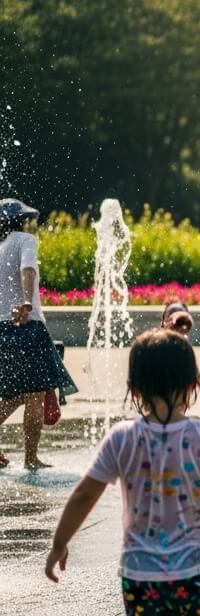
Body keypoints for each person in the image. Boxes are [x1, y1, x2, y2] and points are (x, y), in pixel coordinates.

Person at [44, 328, 200, 616]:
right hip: (196, 573)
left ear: (135, 387)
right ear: (192, 384)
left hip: (141, 575)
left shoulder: (121, 438)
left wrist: (59, 542)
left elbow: (85, 493)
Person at [0, 198, 75, 470]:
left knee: (12, 396)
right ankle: (31, 460)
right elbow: (27, 268)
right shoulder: (26, 240)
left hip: (2, 329)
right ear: (21, 220)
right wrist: (25, 301)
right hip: (26, 325)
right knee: (33, 395)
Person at [161, 302, 200, 409]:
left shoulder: (182, 345)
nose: (181, 333)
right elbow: (195, 371)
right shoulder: (157, 343)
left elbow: (195, 371)